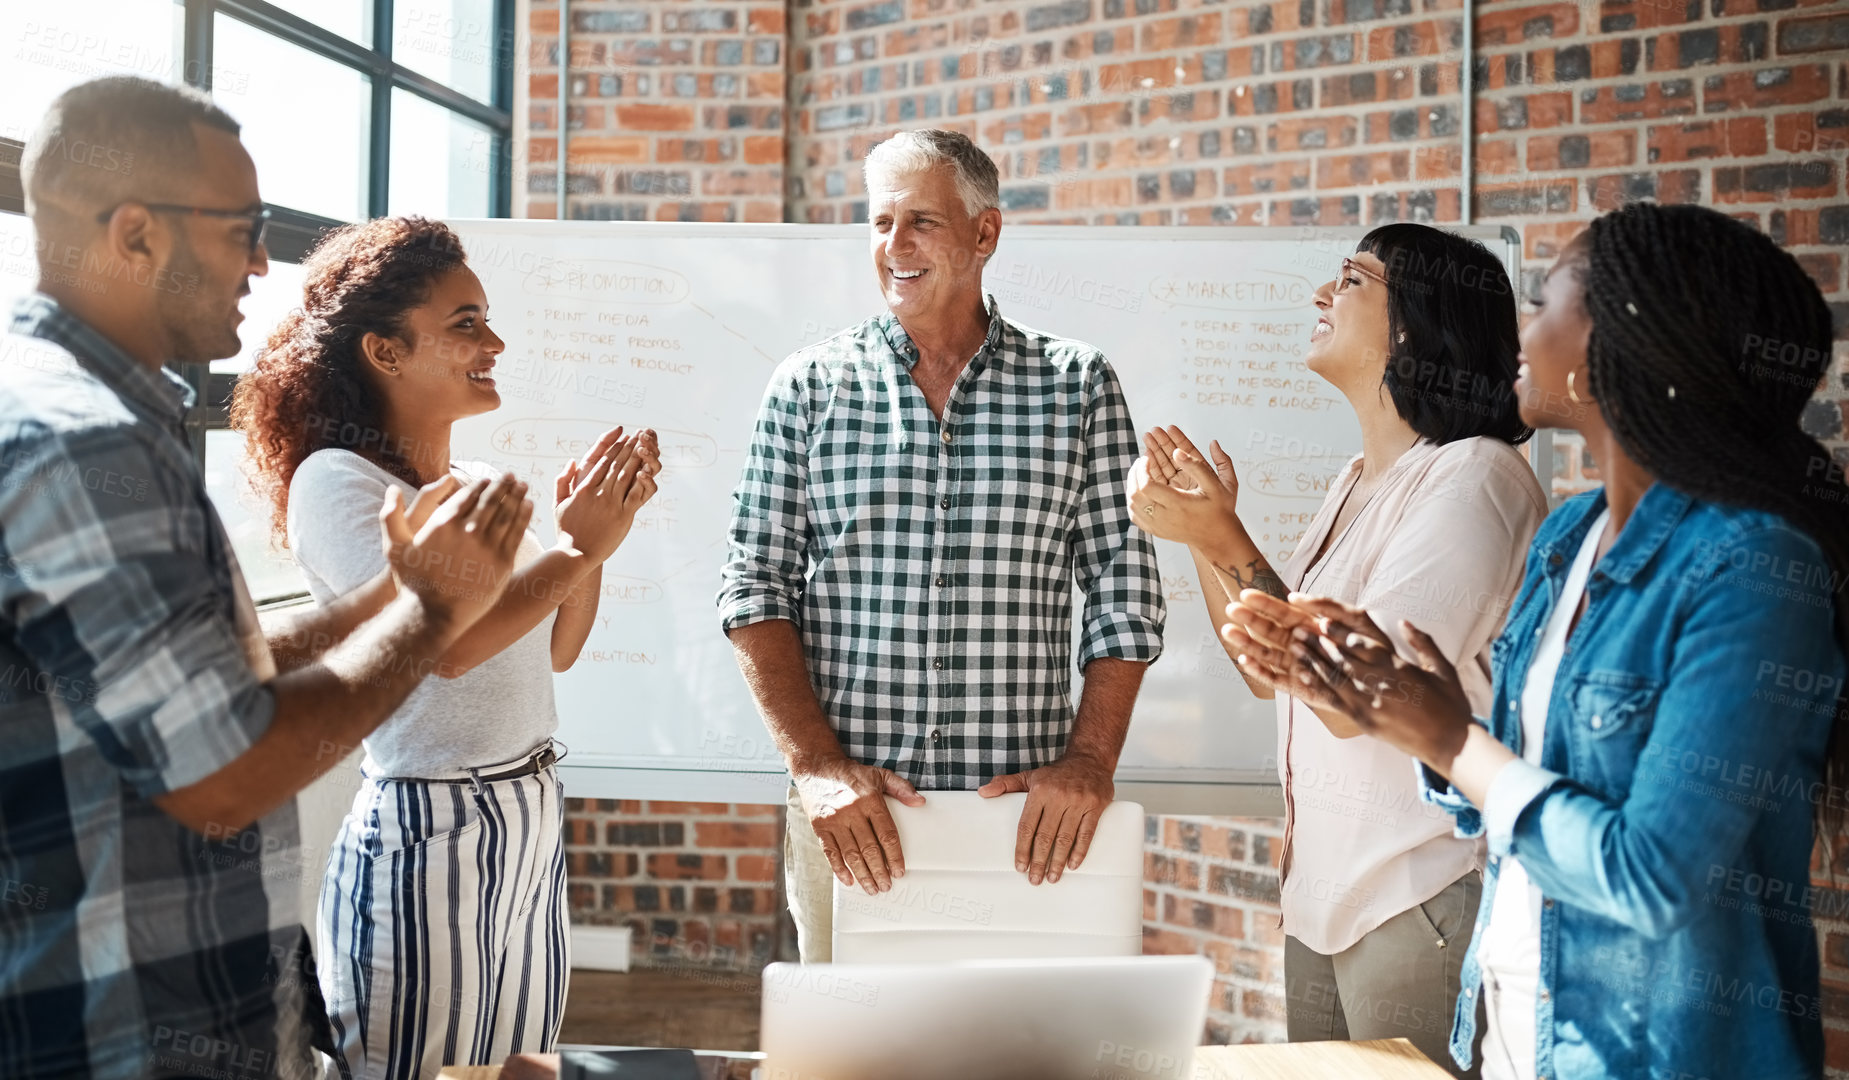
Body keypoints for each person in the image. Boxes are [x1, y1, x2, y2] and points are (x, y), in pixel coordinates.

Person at [0, 77, 532, 1080]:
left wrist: (392, 595)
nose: (259, 261)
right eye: (239, 227)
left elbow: (194, 671)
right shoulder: (83, 444)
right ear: (134, 235)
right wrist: (429, 610)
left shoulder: (98, 419)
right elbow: (228, 769)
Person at [1253, 201, 1848, 1080]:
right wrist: (1430, 721)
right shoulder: (1568, 539)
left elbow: (1652, 878)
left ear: (1620, 343)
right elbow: (1512, 793)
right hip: (1512, 1039)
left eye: (1545, 304)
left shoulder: (1751, 571)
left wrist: (1446, 738)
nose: (1520, 333)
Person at [717, 128, 1166, 960]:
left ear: (983, 233)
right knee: (854, 1050)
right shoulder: (809, 386)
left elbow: (1122, 590)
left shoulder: (1077, 385)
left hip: (1022, 819)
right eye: (881, 223)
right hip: (852, 813)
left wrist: (1090, 760)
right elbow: (754, 586)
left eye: (920, 220)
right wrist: (815, 766)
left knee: (1015, 1050)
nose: (895, 246)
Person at [230, 216, 659, 1080]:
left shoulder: (468, 490)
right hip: (433, 826)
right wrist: (578, 548)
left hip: (530, 811)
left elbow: (558, 649)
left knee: (517, 1072)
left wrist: (595, 541)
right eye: (465, 323)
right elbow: (442, 651)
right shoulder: (337, 481)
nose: (494, 340)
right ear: (385, 352)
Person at [1127, 224, 1546, 1076]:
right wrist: (1205, 540)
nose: (1321, 296)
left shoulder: (1476, 475)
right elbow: (1265, 670)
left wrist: (1223, 531)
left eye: (1349, 280)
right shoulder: (1354, 483)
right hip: (1317, 906)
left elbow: (1359, 700)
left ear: (1413, 327)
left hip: (1414, 896)